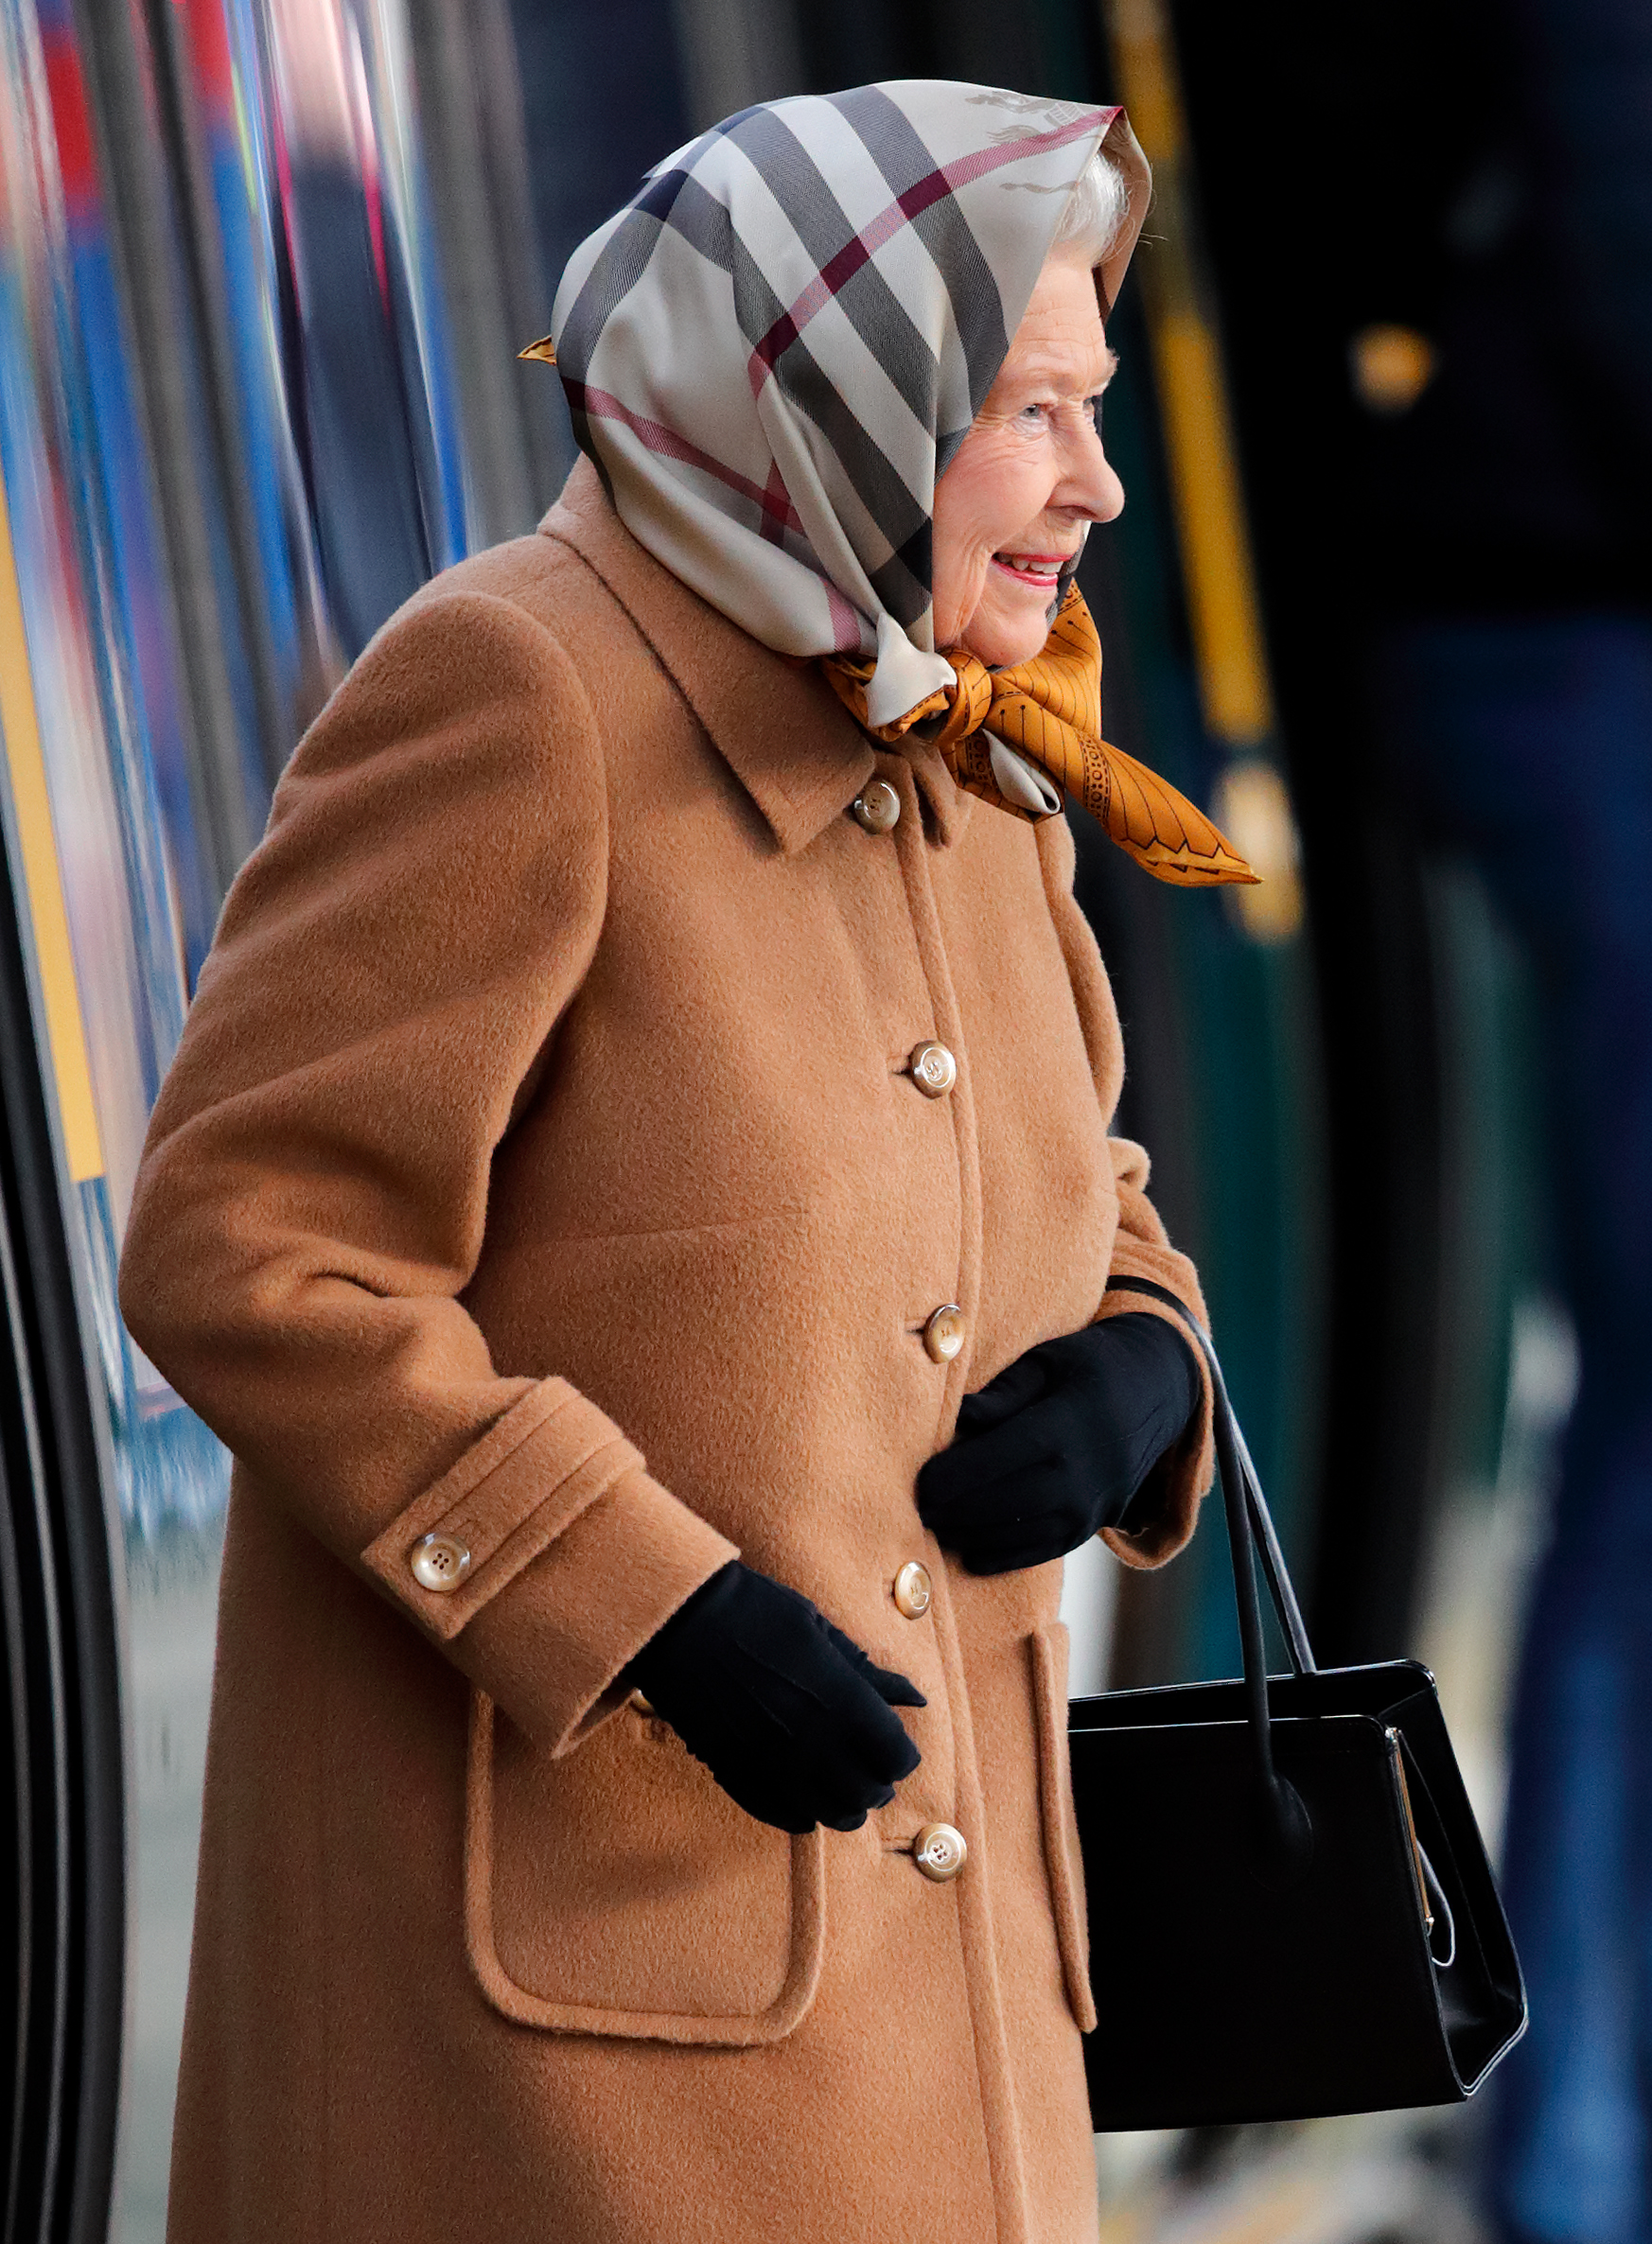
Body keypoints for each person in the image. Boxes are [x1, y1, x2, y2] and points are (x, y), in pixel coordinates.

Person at [119, 82, 1254, 2244]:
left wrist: (1148, 1357)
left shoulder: (974, 745)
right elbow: (243, 1248)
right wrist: (643, 1607)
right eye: (1032, 413)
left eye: (1092, 406)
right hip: (581, 2059)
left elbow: (1073, 1183)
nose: (1097, 485)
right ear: (845, 393)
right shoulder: (518, 693)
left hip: (959, 2027)